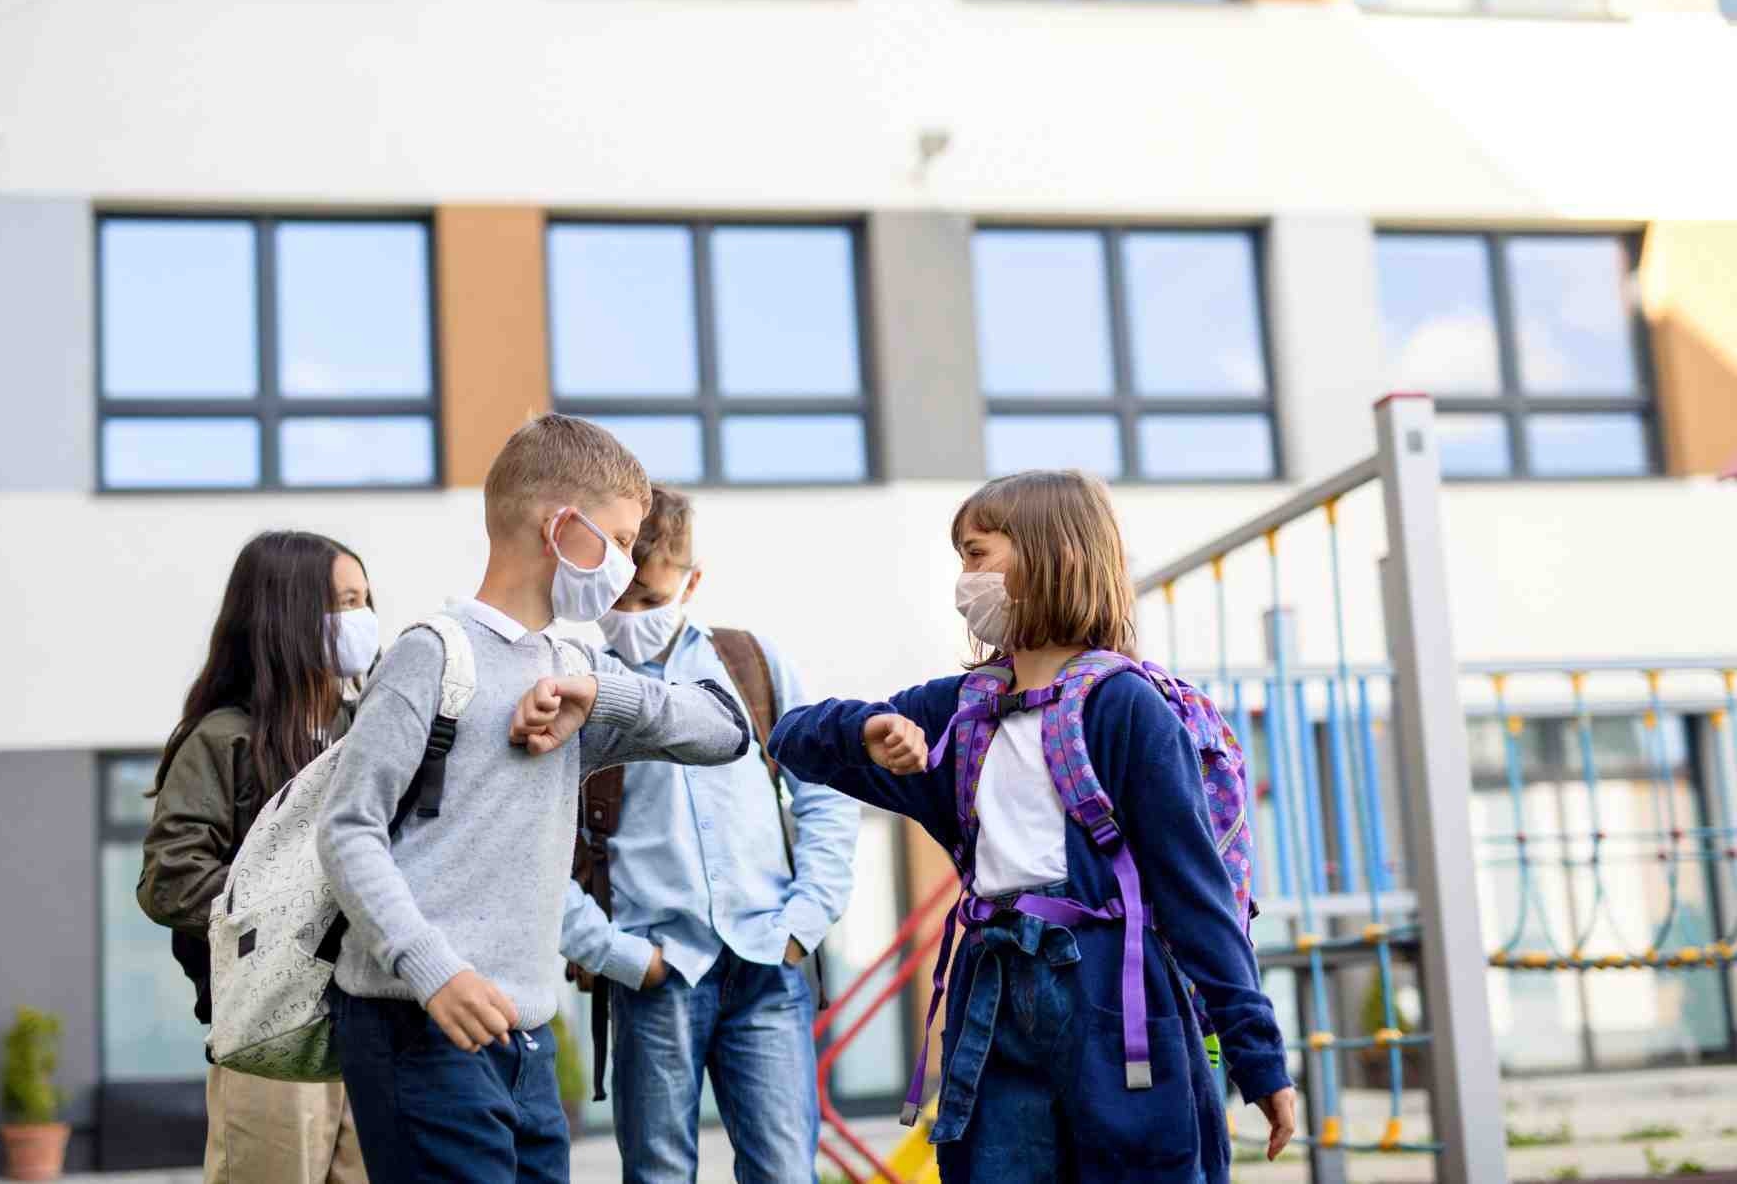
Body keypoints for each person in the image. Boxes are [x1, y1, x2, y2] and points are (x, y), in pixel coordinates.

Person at [767, 470, 1297, 1184]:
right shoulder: (954, 711)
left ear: (1051, 555)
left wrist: (1257, 1058)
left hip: (1113, 997)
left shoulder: (1124, 707)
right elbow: (791, 737)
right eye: (959, 556)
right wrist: (868, 728)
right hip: (991, 1002)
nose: (963, 579)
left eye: (977, 553)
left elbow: (1193, 893)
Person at [317, 414, 752, 1184]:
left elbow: (725, 729)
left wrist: (600, 691)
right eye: (617, 541)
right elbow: (347, 830)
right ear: (560, 527)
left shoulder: (576, 667)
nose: (624, 565)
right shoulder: (430, 654)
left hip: (526, 1036)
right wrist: (433, 970)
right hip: (418, 1024)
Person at [561, 484, 859, 1184]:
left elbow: (824, 789)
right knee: (659, 1173)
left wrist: (804, 919)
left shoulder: (749, 662)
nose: (633, 617)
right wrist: (616, 954)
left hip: (766, 960)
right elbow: (534, 844)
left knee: (785, 1171)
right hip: (656, 969)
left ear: (692, 582)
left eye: (652, 599)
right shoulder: (575, 680)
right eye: (620, 601)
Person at [138, 529, 378, 1184]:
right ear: (286, 618)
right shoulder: (222, 740)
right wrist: (301, 921)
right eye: (341, 603)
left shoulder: (371, 730)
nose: (360, 621)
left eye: (363, 600)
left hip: (371, 1025)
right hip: (271, 1033)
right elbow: (172, 881)